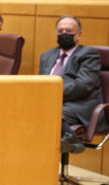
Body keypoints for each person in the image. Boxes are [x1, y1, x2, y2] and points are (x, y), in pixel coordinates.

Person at [38, 15, 108, 154]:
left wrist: (53, 95)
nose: (64, 34)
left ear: (79, 34)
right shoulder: (47, 55)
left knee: (50, 111)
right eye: (60, 31)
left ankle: (70, 140)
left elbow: (84, 85)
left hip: (79, 105)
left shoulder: (89, 54)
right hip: (52, 102)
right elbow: (41, 83)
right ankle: (70, 140)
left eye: (69, 31)